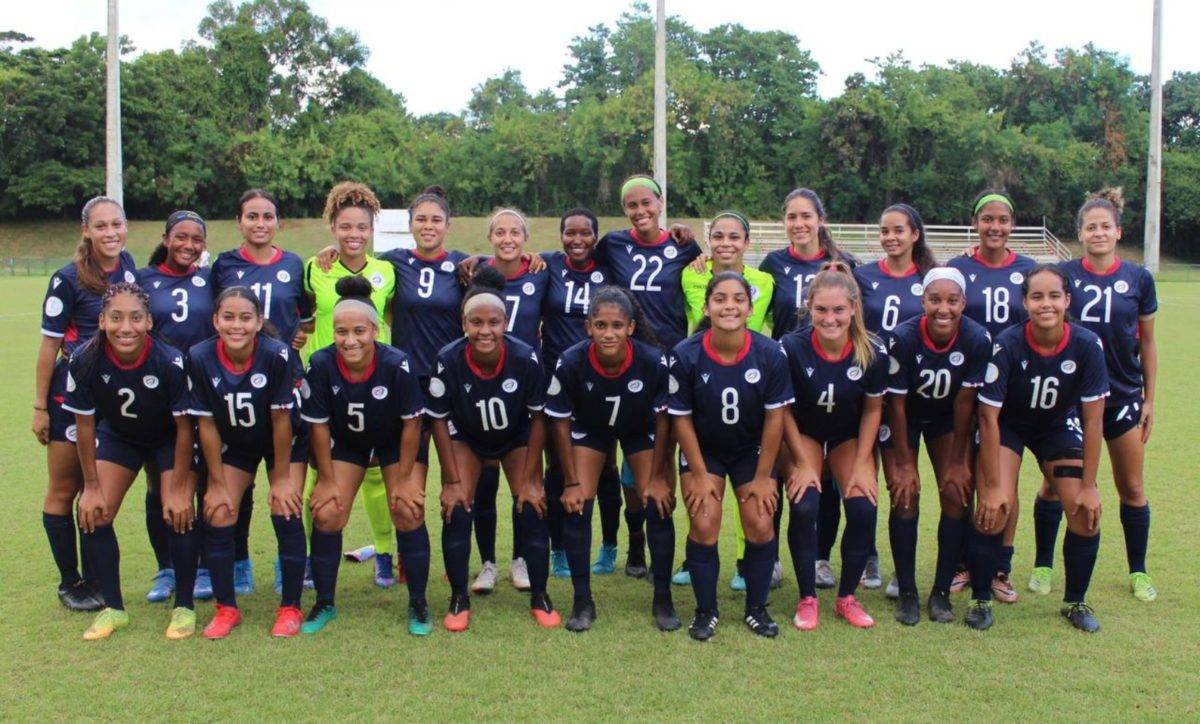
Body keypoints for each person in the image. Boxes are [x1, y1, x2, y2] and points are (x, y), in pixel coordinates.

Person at [970, 265, 1109, 632]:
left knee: (1084, 512)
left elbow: (1094, 421)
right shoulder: (1007, 343)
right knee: (995, 507)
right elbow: (988, 418)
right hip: (1009, 426)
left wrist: (1090, 484)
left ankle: (1075, 602)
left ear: (1067, 300)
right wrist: (994, 485)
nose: (1045, 304)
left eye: (1053, 296)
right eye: (1036, 296)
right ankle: (981, 598)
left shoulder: (1087, 344)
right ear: (1025, 302)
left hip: (1057, 426)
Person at [1040, 188, 1158, 602]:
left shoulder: (1138, 278)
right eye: (1091, 227)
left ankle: (1138, 570)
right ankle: (1043, 563)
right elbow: (1030, 288)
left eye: (1105, 226)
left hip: (1122, 395)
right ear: (1081, 234)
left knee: (1132, 487)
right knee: (1055, 485)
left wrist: (1149, 398)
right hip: (1072, 399)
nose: (1099, 232)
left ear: (1118, 231)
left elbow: (1147, 342)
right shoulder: (1065, 273)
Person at [425, 266, 558, 631]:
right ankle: (458, 599)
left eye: (494, 322)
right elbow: (438, 418)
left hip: (515, 437)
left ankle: (540, 595)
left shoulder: (526, 357)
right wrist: (451, 479)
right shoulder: (448, 358)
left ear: (505, 322)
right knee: (456, 505)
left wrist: (531, 478)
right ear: (464, 323)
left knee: (533, 502)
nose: (485, 331)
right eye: (476, 322)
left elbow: (539, 418)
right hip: (467, 437)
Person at [63, 283, 194, 640]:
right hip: (121, 438)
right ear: (102, 320)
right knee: (93, 511)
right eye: (117, 318)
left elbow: (185, 428)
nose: (126, 327)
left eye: (136, 318)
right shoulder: (84, 359)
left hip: (169, 439)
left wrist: (181, 487)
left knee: (177, 511)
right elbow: (85, 425)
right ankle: (113, 608)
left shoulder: (170, 360)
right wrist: (89, 486)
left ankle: (184, 606)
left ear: (149, 322)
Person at [668, 272, 793, 640]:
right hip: (703, 448)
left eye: (738, 299)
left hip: (751, 449)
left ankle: (756, 608)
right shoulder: (685, 354)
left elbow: (775, 418)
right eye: (720, 299)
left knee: (759, 520)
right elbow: (681, 418)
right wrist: (701, 473)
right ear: (706, 307)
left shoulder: (770, 353)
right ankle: (706, 611)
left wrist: (763, 475)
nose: (729, 306)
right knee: (705, 520)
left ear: (750, 308)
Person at [301, 276, 427, 634]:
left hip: (394, 443)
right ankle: (324, 601)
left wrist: (403, 480)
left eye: (359, 330)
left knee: (407, 508)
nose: (350, 339)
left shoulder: (397, 363)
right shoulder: (321, 363)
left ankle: (418, 603)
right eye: (341, 331)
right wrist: (325, 480)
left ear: (375, 330)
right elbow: (319, 427)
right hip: (348, 444)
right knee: (326, 512)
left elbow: (412, 425)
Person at [545, 286, 676, 631]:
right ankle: (582, 600)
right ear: (588, 327)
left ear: (630, 327)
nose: (609, 333)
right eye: (600, 325)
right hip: (591, 429)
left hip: (639, 428)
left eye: (617, 325)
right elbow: (558, 421)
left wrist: (661, 475)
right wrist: (571, 481)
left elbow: (665, 418)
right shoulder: (571, 361)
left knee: (658, 501)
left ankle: (662, 597)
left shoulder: (651, 360)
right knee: (576, 504)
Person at [595, 174, 701, 582]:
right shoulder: (614, 245)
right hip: (627, 364)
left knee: (671, 458)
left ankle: (685, 549)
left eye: (646, 203)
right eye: (631, 206)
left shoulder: (684, 245)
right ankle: (636, 538)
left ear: (660, 202)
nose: (640, 211)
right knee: (631, 466)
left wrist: (691, 238)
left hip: (670, 365)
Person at [35, 195, 138, 612]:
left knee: (98, 487)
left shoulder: (129, 265)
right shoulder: (66, 278)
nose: (111, 233)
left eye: (117, 224)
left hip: (113, 397)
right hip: (70, 397)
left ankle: (96, 577)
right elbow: (49, 347)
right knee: (66, 487)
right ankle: (69, 581)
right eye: (101, 226)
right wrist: (40, 407)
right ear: (86, 231)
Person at [187, 287, 307, 639]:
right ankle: (226, 608)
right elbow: (206, 423)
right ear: (215, 321)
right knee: (218, 509)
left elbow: (282, 420)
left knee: (285, 507)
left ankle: (290, 607)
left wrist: (282, 478)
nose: (236, 325)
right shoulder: (200, 355)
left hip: (283, 442)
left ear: (258, 322)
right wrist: (218, 483)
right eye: (228, 317)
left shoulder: (277, 354)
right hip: (235, 444)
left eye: (245, 318)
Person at [210, 189, 313, 596]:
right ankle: (239, 562)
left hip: (283, 380)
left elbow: (304, 318)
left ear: (278, 222)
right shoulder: (224, 265)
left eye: (267, 216)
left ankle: (287, 566)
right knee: (240, 483)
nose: (259, 223)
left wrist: (290, 343)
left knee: (285, 482)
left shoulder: (293, 263)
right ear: (239, 221)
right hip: (235, 383)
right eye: (251, 216)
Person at [756, 188, 856, 594]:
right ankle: (776, 556)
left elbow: (857, 320)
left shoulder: (844, 265)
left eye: (806, 216)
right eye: (791, 217)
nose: (799, 224)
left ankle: (821, 557)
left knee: (828, 475)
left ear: (820, 219)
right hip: (786, 377)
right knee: (786, 471)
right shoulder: (772, 264)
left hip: (832, 377)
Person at [780, 262, 889, 630]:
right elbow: (783, 411)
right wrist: (802, 462)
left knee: (862, 507)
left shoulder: (871, 350)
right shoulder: (791, 347)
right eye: (822, 309)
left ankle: (846, 598)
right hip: (805, 433)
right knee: (805, 502)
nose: (830, 318)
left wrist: (862, 464)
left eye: (839, 309)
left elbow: (873, 409)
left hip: (847, 436)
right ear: (809, 306)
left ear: (854, 308)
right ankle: (807, 597)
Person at [302, 182, 400, 590]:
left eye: (361, 227)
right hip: (326, 384)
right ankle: (312, 556)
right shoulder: (315, 268)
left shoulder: (387, 272)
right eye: (345, 226)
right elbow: (301, 315)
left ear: (372, 229)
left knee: (377, 476)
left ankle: (384, 553)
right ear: (333, 227)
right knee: (316, 474)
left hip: (373, 383)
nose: (353, 234)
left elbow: (394, 317)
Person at [881, 267, 991, 625]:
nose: (943, 309)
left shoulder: (977, 338)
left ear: (964, 302)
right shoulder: (902, 337)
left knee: (957, 494)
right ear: (923, 300)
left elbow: (964, 404)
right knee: (905, 493)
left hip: (948, 420)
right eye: (935, 300)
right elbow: (895, 404)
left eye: (952, 300)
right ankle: (908, 592)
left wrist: (960, 461)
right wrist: (904, 462)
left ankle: (941, 591)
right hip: (905, 418)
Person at [946, 190, 1037, 602]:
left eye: (1002, 220)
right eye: (987, 219)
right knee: (965, 474)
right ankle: (964, 562)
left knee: (1003, 482)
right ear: (975, 222)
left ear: (1012, 225)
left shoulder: (1029, 269)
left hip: (1012, 392)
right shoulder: (958, 267)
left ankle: (1001, 566)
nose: (995, 227)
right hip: (967, 386)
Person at [682, 212, 778, 592]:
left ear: (747, 242)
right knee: (701, 495)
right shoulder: (691, 274)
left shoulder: (765, 281)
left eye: (734, 237)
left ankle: (745, 560)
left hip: (751, 384)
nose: (725, 243)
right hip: (704, 377)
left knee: (752, 492)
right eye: (717, 236)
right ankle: (695, 559)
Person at [846, 204, 936, 590]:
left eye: (898, 230)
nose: (890, 237)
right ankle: (869, 556)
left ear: (915, 233)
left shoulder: (932, 277)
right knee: (867, 477)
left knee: (904, 482)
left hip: (914, 396)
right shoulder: (863, 277)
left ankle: (903, 568)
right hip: (869, 392)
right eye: (884, 231)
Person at [537, 209, 623, 580]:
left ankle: (608, 545)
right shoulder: (548, 266)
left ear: (595, 236)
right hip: (555, 379)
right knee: (557, 467)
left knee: (605, 467)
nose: (577, 239)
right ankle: (558, 549)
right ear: (560, 236)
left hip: (602, 379)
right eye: (569, 232)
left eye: (585, 233)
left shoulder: (609, 268)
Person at [137, 210, 213, 604]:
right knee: (160, 480)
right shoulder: (143, 280)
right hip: (158, 394)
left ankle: (201, 566)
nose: (188, 245)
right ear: (166, 239)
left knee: (199, 479)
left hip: (202, 392)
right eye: (180, 238)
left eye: (196, 239)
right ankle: (166, 566)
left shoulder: (210, 279)